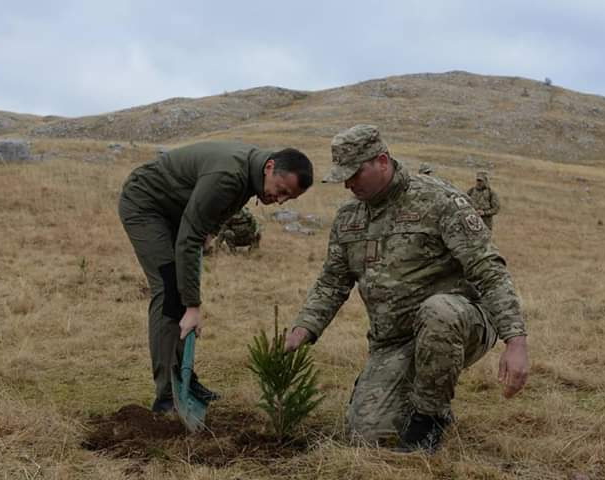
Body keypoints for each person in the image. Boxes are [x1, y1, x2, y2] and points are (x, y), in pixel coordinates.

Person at [285, 125, 527, 453]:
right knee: (367, 435)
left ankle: (431, 417)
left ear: (382, 161)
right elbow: (332, 282)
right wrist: (304, 328)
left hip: (460, 323)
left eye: (355, 173)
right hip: (393, 342)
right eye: (343, 176)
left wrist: (515, 342)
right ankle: (412, 395)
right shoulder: (348, 218)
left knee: (438, 312)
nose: (348, 183)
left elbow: (489, 269)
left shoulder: (438, 200)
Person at [119, 141, 313, 413]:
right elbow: (189, 236)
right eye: (281, 191)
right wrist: (193, 306)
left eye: (288, 199)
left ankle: (185, 377)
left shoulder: (250, 176)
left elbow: (217, 213)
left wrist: (210, 230)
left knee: (179, 290)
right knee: (168, 290)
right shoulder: (229, 175)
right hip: (146, 206)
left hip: (178, 212)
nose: (279, 200)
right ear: (270, 167)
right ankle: (166, 396)